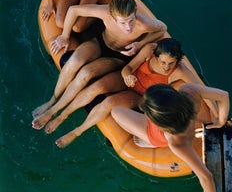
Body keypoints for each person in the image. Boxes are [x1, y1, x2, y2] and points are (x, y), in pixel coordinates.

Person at [32, 38, 215, 148]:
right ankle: (60, 115)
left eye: (171, 63)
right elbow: (129, 67)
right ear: (155, 55)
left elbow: (205, 92)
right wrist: (127, 75)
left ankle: (77, 132)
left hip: (141, 96)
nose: (166, 67)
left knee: (109, 103)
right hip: (129, 79)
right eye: (163, 62)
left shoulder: (181, 70)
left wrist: (216, 120)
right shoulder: (148, 49)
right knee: (96, 87)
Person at [32, 0, 167, 123]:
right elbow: (74, 10)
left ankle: (55, 112)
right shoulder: (105, 12)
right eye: (123, 22)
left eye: (131, 20)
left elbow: (162, 29)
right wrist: (65, 36)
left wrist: (140, 44)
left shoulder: (143, 24)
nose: (128, 27)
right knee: (75, 61)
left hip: (118, 56)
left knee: (86, 73)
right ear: (113, 17)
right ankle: (52, 100)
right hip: (100, 41)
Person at [111, 83, 230, 192]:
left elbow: (206, 176)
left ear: (157, 123)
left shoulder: (176, 143)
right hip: (180, 126)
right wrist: (220, 122)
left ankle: (148, 141)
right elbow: (224, 96)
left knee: (116, 112)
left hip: (158, 136)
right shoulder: (189, 91)